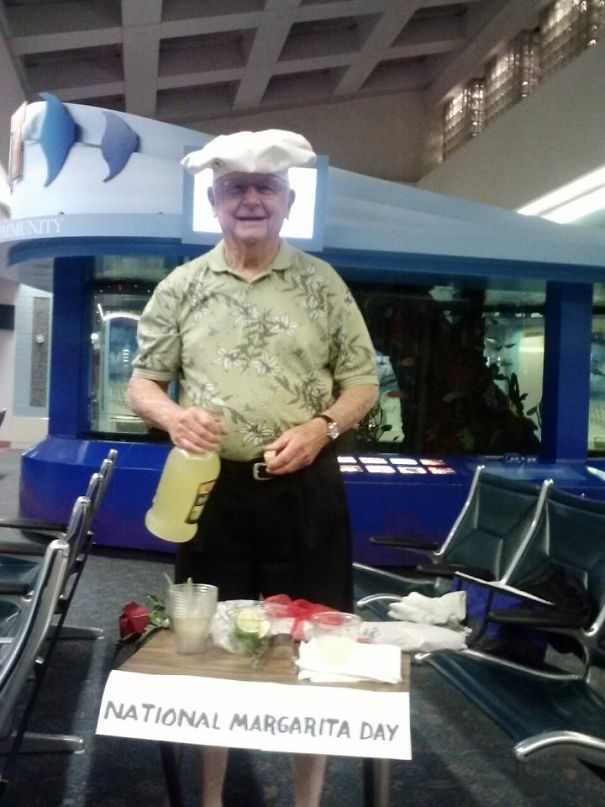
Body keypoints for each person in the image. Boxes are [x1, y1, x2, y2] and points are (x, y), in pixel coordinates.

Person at [127, 129, 378, 807]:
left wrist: (320, 426)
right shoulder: (182, 286)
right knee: (211, 643)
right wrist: (173, 416)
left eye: (263, 187)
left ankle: (306, 799)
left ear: (287, 200)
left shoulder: (321, 284)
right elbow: (142, 382)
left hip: (307, 492)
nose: (249, 199)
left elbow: (362, 382)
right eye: (234, 187)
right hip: (213, 492)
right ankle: (212, 798)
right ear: (213, 201)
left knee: (317, 642)